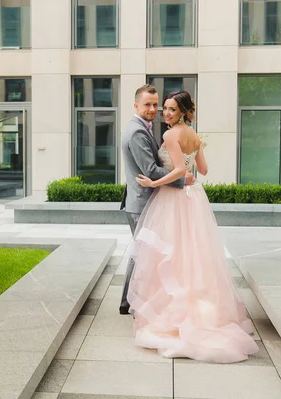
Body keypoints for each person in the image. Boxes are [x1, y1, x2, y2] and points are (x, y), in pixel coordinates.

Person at [129, 90, 259, 363]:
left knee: (171, 253)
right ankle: (200, 305)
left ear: (184, 112)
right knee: (193, 253)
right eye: (164, 108)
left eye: (171, 109)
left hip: (174, 198)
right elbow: (204, 169)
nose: (166, 113)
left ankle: (176, 312)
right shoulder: (194, 135)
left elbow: (177, 170)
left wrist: (154, 183)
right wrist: (190, 163)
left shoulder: (170, 135)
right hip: (195, 198)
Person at [119, 85, 196, 315]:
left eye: (156, 105)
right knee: (144, 254)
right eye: (148, 105)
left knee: (143, 253)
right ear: (136, 105)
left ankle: (130, 301)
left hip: (145, 200)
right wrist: (182, 179)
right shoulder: (137, 132)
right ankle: (131, 302)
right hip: (142, 201)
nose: (153, 109)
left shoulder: (144, 128)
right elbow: (151, 170)